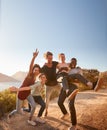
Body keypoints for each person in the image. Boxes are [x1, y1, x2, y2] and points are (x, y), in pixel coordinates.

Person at [57, 55, 92, 130]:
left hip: (73, 87)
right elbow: (62, 76)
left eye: (74, 62)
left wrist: (70, 79)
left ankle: (74, 125)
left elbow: (79, 79)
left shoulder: (78, 69)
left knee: (71, 104)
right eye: (71, 61)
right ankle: (65, 113)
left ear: (76, 63)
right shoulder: (68, 69)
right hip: (65, 86)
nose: (72, 63)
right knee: (59, 102)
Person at [8, 49, 42, 126]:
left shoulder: (35, 78)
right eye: (35, 70)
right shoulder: (30, 75)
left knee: (34, 106)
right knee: (17, 111)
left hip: (28, 94)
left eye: (37, 70)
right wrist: (34, 57)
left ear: (39, 72)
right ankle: (10, 115)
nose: (36, 71)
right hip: (21, 94)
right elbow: (30, 66)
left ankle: (30, 119)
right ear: (33, 70)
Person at [41, 51, 61, 117]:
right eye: (49, 58)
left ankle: (66, 108)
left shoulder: (55, 63)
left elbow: (60, 68)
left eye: (51, 58)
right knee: (47, 99)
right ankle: (46, 111)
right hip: (48, 85)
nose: (50, 60)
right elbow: (41, 74)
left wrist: (58, 74)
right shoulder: (44, 67)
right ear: (46, 58)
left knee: (64, 93)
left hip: (56, 83)